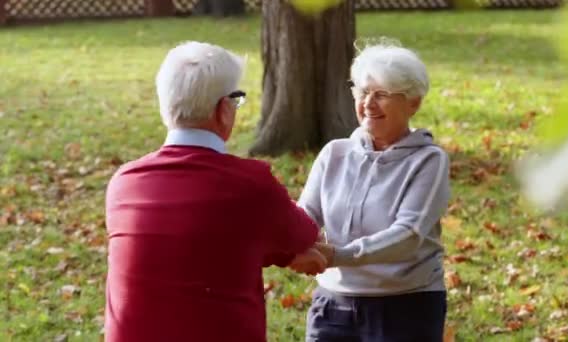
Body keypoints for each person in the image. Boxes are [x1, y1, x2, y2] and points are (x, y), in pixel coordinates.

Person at [104, 41, 325, 342]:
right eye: (237, 100)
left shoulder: (124, 182)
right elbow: (304, 235)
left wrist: (283, 252)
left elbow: (204, 241)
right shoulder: (250, 184)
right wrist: (289, 254)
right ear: (224, 109)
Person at [298, 43, 451, 342]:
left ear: (413, 103)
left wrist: (338, 255)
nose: (368, 103)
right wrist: (287, 243)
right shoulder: (334, 153)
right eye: (362, 92)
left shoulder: (429, 160)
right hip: (333, 303)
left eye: (381, 95)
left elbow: (408, 235)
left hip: (405, 306)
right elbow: (305, 216)